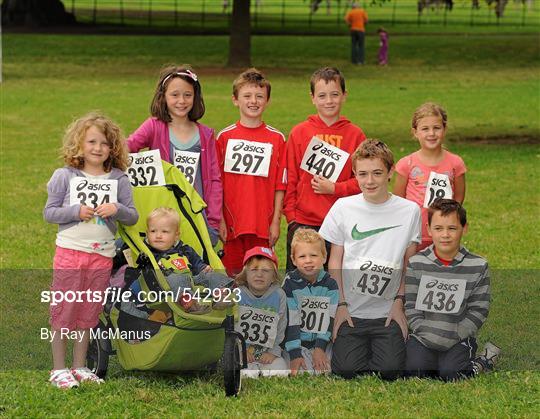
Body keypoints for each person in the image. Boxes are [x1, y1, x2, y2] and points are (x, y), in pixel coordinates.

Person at [44, 112, 138, 388]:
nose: (98, 148)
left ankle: (79, 365)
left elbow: (132, 216)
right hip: (71, 253)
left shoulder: (119, 179)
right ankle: (58, 369)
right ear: (79, 144)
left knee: (89, 310)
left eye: (105, 143)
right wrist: (75, 211)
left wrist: (117, 209)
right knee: (65, 307)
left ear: (113, 148)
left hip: (103, 255)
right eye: (92, 142)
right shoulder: (65, 176)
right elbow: (49, 213)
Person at [319, 139, 421, 380]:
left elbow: (411, 263)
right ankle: (357, 346)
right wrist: (341, 305)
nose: (369, 181)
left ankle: (382, 346)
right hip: (352, 310)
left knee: (390, 371)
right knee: (345, 369)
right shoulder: (343, 207)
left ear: (390, 172)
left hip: (387, 310)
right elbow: (335, 262)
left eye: (377, 173)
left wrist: (399, 301)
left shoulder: (409, 210)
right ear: (354, 173)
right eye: (362, 174)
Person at [127, 64, 222, 246]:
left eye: (188, 95)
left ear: (195, 97)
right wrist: (101, 147)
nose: (182, 101)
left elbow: (215, 179)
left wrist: (214, 221)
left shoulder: (206, 134)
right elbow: (128, 147)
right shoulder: (154, 126)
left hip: (197, 217)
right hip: (164, 220)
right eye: (175, 95)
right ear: (163, 97)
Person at [404, 199, 499, 380]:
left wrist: (458, 333)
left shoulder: (478, 265)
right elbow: (411, 303)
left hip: (458, 337)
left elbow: (479, 309)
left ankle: (483, 361)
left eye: (452, 228)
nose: (445, 234)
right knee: (415, 371)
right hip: (424, 335)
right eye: (438, 228)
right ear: (429, 229)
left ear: (464, 228)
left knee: (452, 374)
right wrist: (422, 329)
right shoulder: (417, 262)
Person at [284, 67, 366, 272]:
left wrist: (335, 188)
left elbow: (363, 181)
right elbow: (290, 176)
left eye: (335, 94)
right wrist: (292, 217)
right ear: (312, 98)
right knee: (299, 282)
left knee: (334, 281)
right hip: (303, 221)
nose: (329, 101)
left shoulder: (355, 135)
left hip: (340, 222)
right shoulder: (300, 132)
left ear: (344, 96)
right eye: (322, 95)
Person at [216, 68, 286, 276]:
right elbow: (217, 182)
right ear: (235, 100)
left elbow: (280, 185)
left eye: (259, 96)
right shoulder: (224, 137)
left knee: (261, 277)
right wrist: (219, 219)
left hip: (262, 224)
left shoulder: (277, 139)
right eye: (247, 96)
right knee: (232, 277)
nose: (253, 101)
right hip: (232, 224)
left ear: (267, 101)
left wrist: (275, 222)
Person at [124, 207, 234, 317]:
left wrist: (203, 268)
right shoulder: (150, 253)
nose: (158, 236)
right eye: (153, 231)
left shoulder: (185, 249)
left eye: (165, 231)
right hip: (166, 283)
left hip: (191, 279)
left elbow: (197, 263)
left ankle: (221, 294)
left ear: (176, 235)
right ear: (147, 233)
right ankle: (189, 302)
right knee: (176, 278)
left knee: (212, 275)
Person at [394, 102, 466, 251]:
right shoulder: (406, 164)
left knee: (442, 271)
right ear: (415, 132)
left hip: (443, 235)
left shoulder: (456, 163)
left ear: (444, 129)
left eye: (436, 128)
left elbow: (458, 199)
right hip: (413, 233)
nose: (431, 134)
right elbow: (398, 200)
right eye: (425, 129)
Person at [282, 229, 338, 375]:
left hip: (323, 342)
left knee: (328, 370)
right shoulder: (289, 284)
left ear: (324, 257)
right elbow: (291, 320)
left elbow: (330, 317)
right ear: (293, 260)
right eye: (302, 256)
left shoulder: (331, 284)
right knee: (299, 372)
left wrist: (320, 348)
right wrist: (295, 353)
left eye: (313, 255)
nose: (308, 260)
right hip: (295, 342)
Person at [235, 247, 289, 378]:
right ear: (245, 275)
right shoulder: (238, 294)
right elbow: (232, 327)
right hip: (243, 351)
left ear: (273, 277)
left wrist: (273, 352)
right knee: (245, 373)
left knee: (280, 371)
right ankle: (250, 369)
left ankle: (262, 368)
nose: (259, 274)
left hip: (267, 351)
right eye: (254, 270)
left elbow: (281, 326)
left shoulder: (279, 295)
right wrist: (240, 350)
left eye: (266, 270)